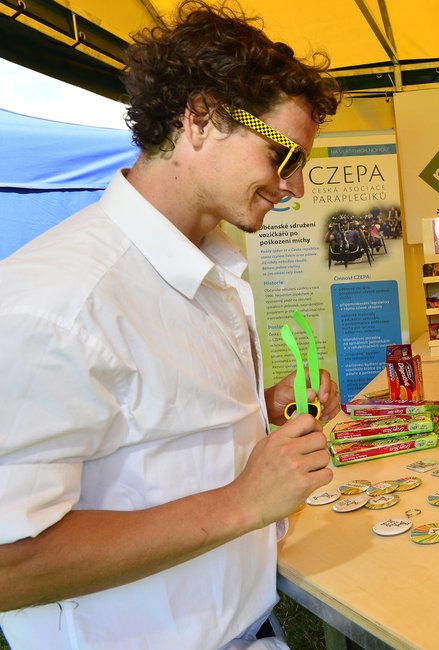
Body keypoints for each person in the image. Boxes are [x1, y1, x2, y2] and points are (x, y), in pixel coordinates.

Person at [0, 2, 342, 647]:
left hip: (249, 624)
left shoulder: (215, 274)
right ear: (201, 118)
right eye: (283, 156)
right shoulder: (56, 303)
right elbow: (9, 566)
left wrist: (254, 418)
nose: (296, 186)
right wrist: (244, 501)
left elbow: (150, 434)